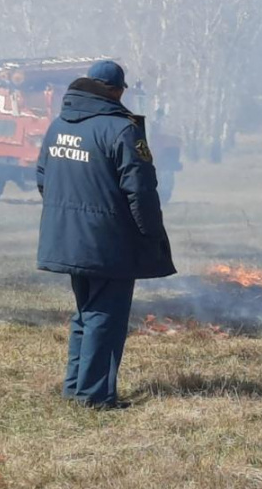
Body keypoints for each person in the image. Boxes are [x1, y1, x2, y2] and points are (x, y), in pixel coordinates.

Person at [37, 60, 177, 409]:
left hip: (65, 237)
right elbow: (141, 190)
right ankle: (95, 396)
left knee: (85, 313)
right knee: (105, 317)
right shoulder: (122, 130)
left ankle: (75, 388)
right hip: (107, 241)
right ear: (116, 91)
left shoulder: (58, 126)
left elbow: (43, 178)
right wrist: (150, 233)